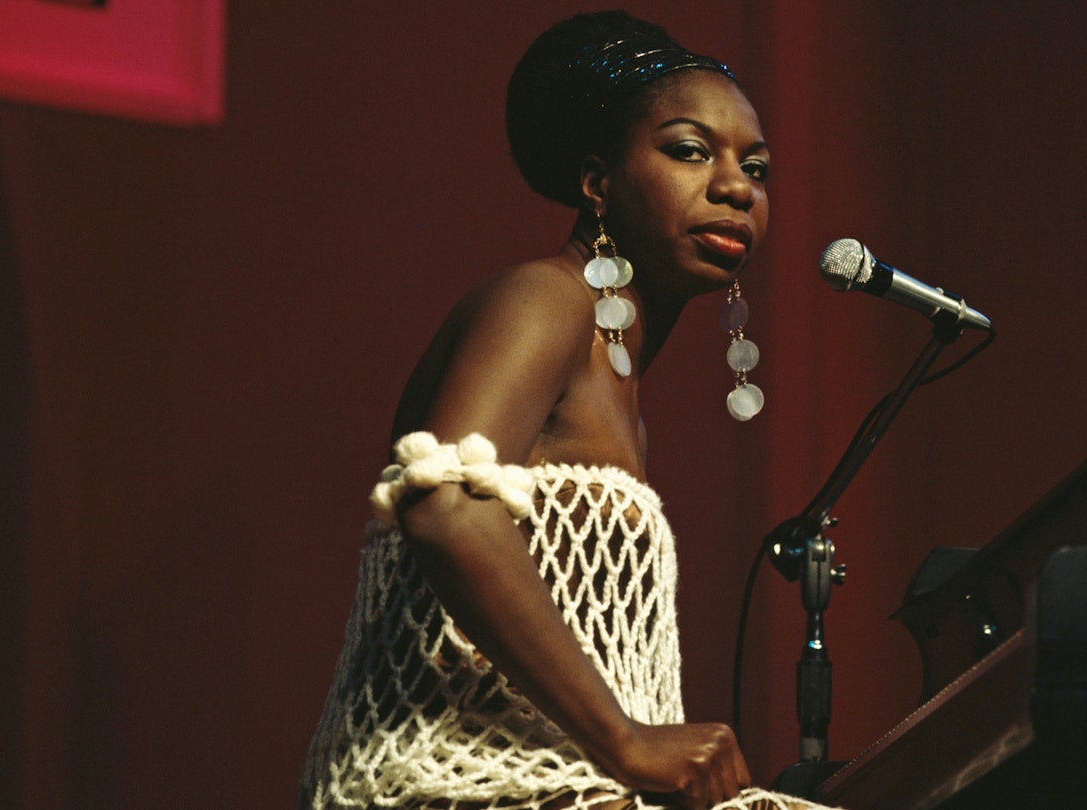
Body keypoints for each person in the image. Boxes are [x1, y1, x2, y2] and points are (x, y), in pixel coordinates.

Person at [299, 12, 831, 810]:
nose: (736, 188)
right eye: (689, 151)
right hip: (444, 781)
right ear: (597, 182)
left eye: (755, 168)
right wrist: (626, 739)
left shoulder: (616, 384)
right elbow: (444, 501)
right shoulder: (547, 298)